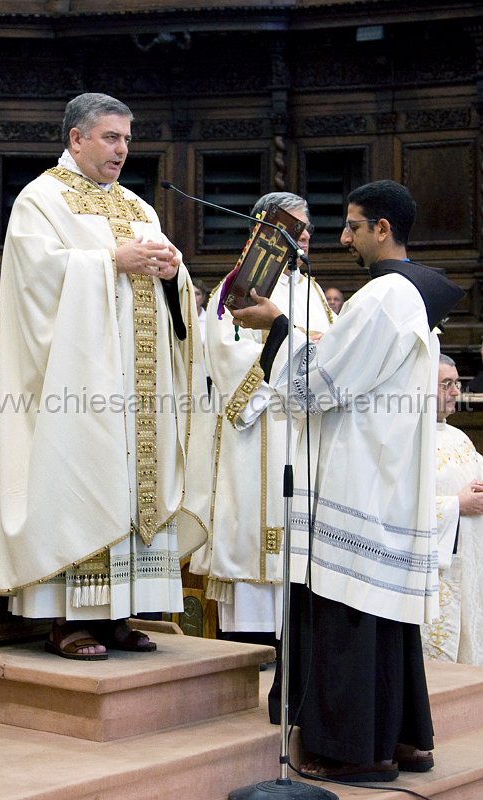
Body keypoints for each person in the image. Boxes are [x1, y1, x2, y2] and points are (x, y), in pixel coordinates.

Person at [231, 179, 464, 782]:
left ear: (382, 229)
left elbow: (319, 386)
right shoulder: (412, 295)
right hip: (383, 473)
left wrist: (276, 326)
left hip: (356, 477)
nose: (344, 236)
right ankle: (405, 741)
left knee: (347, 614)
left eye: (354, 226)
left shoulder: (383, 296)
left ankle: (353, 750)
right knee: (383, 616)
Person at [0, 93, 211, 660]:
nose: (123, 150)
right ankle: (68, 619)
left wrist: (172, 272)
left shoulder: (139, 207)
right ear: (77, 139)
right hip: (79, 382)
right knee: (83, 474)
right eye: (111, 138)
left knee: (136, 479)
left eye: (128, 139)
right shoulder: (41, 200)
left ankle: (119, 613)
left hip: (141, 383)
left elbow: (173, 291)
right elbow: (34, 282)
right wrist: (109, 261)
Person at [190, 192, 333, 648]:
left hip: (304, 431)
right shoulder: (233, 289)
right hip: (257, 436)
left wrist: (297, 341)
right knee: (253, 540)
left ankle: (296, 652)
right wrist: (292, 345)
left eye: (308, 227)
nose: (305, 235)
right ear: (265, 230)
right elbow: (230, 364)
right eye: (294, 227)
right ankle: (250, 652)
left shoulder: (310, 290)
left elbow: (330, 353)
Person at [421, 354, 483, 665]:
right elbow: (401, 508)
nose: (456, 392)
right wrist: (456, 505)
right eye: (447, 384)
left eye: (456, 384)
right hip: (435, 572)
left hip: (469, 562)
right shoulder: (410, 440)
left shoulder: (460, 437)